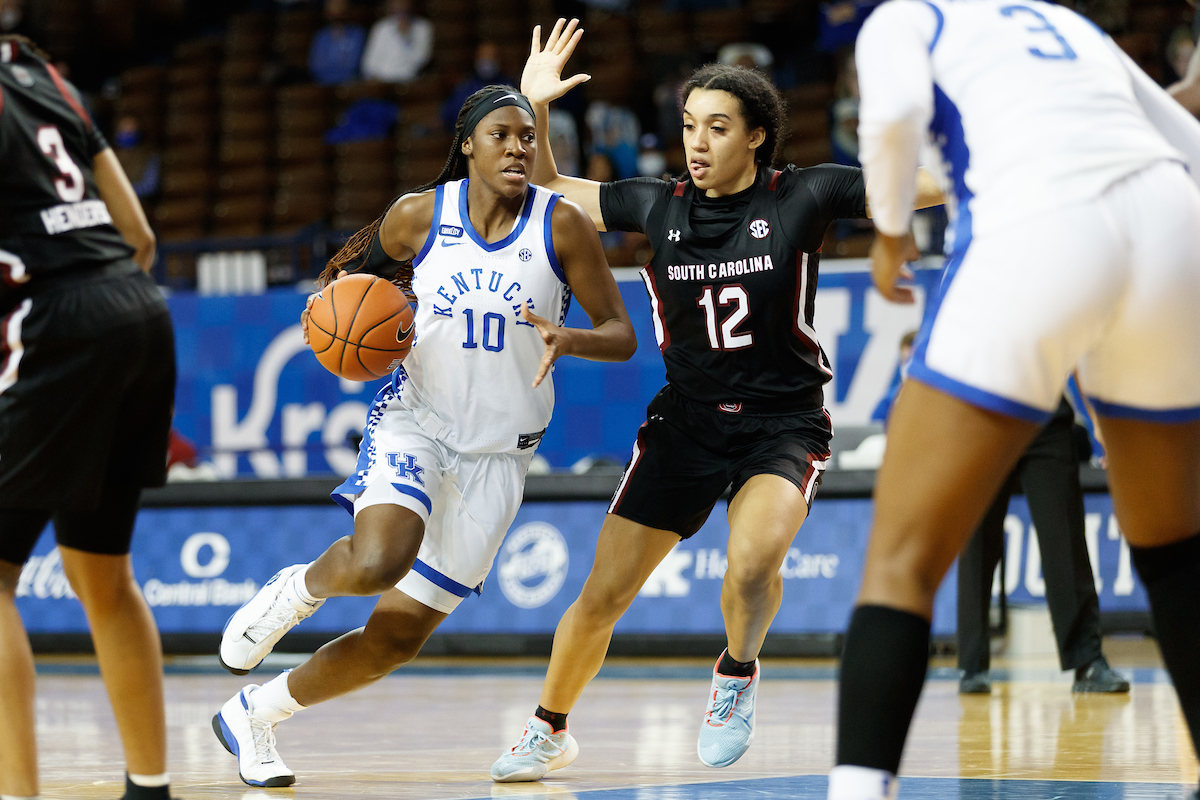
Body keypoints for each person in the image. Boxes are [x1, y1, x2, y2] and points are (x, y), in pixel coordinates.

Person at [490, 19, 942, 783]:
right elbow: (549, 192)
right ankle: (549, 728)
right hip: (686, 422)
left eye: (718, 128)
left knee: (754, 559)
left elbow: (913, 185)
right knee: (602, 594)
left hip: (785, 423)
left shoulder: (804, 195)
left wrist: (991, 154)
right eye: (690, 125)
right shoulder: (657, 205)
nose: (696, 142)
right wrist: (535, 108)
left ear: (757, 136)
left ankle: (736, 672)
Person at [210, 84, 636, 788]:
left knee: (394, 640)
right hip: (418, 422)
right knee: (379, 559)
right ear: (467, 143)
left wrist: (574, 337)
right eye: (501, 134)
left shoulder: (561, 227)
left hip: (499, 459)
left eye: (527, 137)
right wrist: (345, 322)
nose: (518, 147)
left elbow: (622, 335)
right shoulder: (418, 216)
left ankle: (255, 714)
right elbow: (344, 281)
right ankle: (297, 591)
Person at [829, 2, 1200, 798]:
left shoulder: (908, 17)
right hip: (1173, 223)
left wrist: (890, 229)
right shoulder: (1064, 22)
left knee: (900, 563)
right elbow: (1182, 134)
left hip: (1040, 225)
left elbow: (890, 114)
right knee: (1175, 545)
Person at [0, 35, 176, 800]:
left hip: (56, 317)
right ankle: (150, 785)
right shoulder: (34, 67)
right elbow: (139, 233)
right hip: (138, 307)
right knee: (100, 574)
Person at [956, 395, 1129, 695]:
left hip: (1044, 413)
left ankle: (1087, 661)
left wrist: (1097, 419)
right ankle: (972, 666)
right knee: (977, 542)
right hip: (981, 412)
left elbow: (1077, 353)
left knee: (1065, 538)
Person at [440, 41, 514, 132]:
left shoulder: (509, 87)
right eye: (484, 57)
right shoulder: (466, 86)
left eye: (491, 57)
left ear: (498, 59)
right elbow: (448, 116)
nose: (487, 61)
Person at [360, 0, 432, 84]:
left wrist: (406, 37)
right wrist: (372, 78)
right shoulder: (381, 27)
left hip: (406, 83)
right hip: (379, 82)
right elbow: (369, 61)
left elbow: (421, 60)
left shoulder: (423, 28)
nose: (400, 5)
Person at [308, 0, 366, 86]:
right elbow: (315, 66)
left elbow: (353, 66)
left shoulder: (357, 34)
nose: (335, 9)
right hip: (323, 85)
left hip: (349, 86)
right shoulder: (321, 35)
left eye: (339, 5)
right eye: (332, 5)